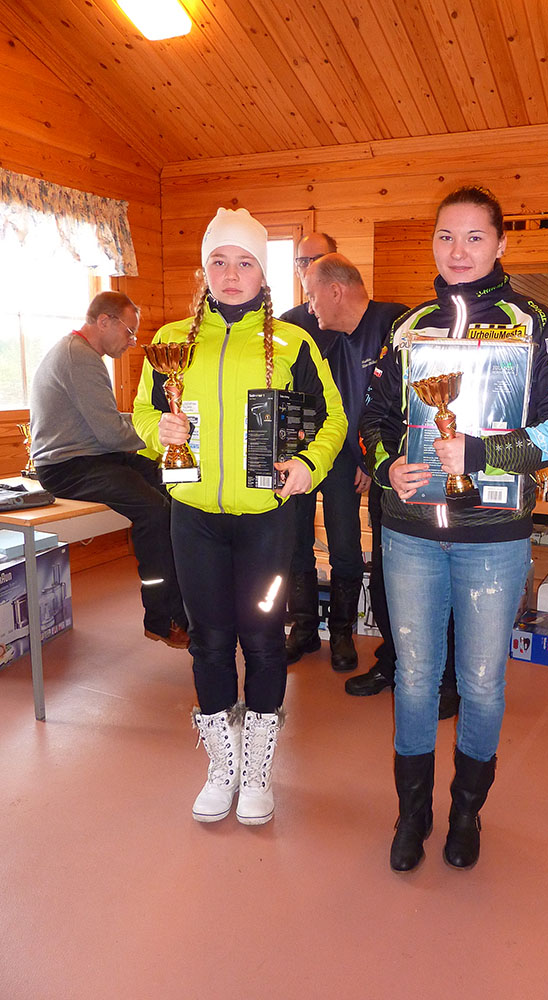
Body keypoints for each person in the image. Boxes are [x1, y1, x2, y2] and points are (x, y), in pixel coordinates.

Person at [361, 185, 548, 872]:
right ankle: (412, 814)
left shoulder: (535, 325)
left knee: (483, 682)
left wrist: (485, 453)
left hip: (493, 540)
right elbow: (373, 419)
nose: (457, 251)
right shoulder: (409, 326)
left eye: (474, 237)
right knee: (414, 679)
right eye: (445, 236)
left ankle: (466, 812)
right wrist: (388, 466)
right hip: (409, 533)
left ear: (500, 244)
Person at [133, 208, 346, 825]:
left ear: (263, 274)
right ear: (205, 270)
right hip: (194, 517)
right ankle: (221, 766)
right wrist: (158, 430)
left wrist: (307, 464)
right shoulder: (174, 339)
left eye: (245, 262)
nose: (231, 274)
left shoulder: (293, 343)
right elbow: (144, 413)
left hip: (266, 521)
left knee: (262, 638)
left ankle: (256, 771)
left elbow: (332, 419)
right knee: (208, 639)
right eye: (219, 262)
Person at [29, 291, 189, 649]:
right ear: (104, 321)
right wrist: (162, 429)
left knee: (173, 484)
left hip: (94, 457)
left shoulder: (80, 353)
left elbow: (109, 424)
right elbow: (112, 433)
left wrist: (156, 424)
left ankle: (186, 604)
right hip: (67, 467)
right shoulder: (79, 357)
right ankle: (161, 619)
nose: (132, 342)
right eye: (129, 332)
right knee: (155, 510)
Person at [282, 253, 407, 672]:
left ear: (335, 291)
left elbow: (391, 407)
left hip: (355, 459)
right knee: (295, 542)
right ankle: (303, 628)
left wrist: (369, 459)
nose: (309, 305)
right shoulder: (309, 329)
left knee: (346, 546)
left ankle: (341, 633)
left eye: (312, 294)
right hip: (306, 451)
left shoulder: (394, 322)